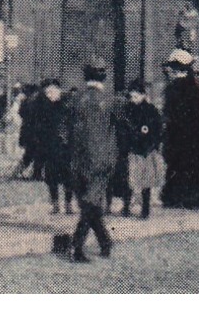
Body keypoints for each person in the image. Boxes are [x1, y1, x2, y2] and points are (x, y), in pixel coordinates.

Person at [63, 59, 119, 263]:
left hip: (76, 160)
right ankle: (75, 247)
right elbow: (122, 129)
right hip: (101, 159)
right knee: (90, 204)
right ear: (104, 76)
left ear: (85, 76)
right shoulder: (110, 100)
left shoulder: (74, 99)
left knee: (90, 203)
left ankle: (105, 241)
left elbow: (63, 131)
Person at [160, 49, 199, 210]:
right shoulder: (195, 88)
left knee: (178, 168)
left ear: (175, 69)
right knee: (198, 169)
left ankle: (179, 197)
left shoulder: (172, 89)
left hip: (178, 138)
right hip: (196, 139)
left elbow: (170, 116)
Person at [117, 79, 163, 218]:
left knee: (146, 181)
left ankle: (145, 209)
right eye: (132, 96)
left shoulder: (151, 110)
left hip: (146, 150)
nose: (133, 99)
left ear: (143, 95)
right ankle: (126, 207)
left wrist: (153, 144)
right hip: (131, 149)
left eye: (136, 96)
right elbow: (121, 129)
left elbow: (158, 130)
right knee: (129, 179)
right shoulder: (126, 110)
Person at [33, 79, 72, 214]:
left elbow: (73, 125)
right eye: (46, 93)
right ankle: (55, 204)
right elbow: (39, 127)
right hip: (50, 148)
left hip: (66, 148)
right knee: (51, 177)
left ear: (58, 90)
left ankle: (68, 204)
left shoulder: (68, 104)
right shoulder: (44, 106)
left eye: (50, 92)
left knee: (68, 178)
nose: (48, 95)